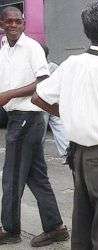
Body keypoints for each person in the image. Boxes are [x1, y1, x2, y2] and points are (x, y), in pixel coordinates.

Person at [31, 1, 98, 249]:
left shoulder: (72, 63)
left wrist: (67, 112)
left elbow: (38, 97)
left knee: (83, 223)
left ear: (86, 31)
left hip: (78, 155)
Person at [0, 6, 69, 247]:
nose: (13, 25)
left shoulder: (31, 47)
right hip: (17, 116)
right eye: (8, 22)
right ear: (2, 24)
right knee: (35, 176)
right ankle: (55, 227)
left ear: (24, 23)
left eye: (17, 21)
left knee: (11, 176)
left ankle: (10, 229)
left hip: (28, 117)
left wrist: (9, 94)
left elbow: (43, 81)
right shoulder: (4, 50)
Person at [41, 44, 69, 159]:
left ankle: (37, 156)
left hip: (41, 104)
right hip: (55, 102)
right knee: (60, 128)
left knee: (40, 132)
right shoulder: (54, 67)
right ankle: (67, 153)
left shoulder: (36, 69)